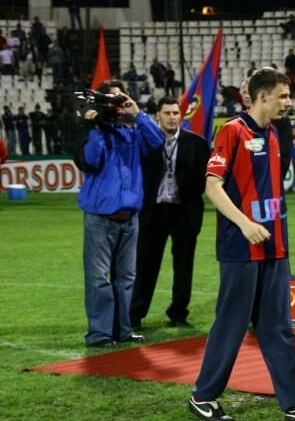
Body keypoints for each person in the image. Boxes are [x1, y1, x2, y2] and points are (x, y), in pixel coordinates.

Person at [188, 68, 295, 421]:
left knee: (278, 328)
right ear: (262, 96)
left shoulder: (275, 133)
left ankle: (293, 403)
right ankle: (202, 396)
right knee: (232, 325)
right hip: (241, 247)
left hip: (275, 247)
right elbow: (212, 186)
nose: (289, 102)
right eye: (283, 96)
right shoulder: (232, 131)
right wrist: (245, 224)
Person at [73, 79, 165, 347]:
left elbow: (157, 142)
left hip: (130, 217)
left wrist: (138, 113)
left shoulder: (132, 132)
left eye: (119, 99)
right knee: (99, 279)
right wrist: (94, 127)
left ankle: (123, 331)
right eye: (111, 100)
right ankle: (100, 334)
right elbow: (91, 161)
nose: (116, 105)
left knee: (126, 279)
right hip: (100, 218)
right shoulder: (92, 130)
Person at [130, 97, 210, 329]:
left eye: (176, 113)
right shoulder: (146, 140)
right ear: (158, 116)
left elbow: (206, 178)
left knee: (184, 266)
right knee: (145, 265)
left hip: (184, 212)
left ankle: (178, 313)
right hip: (153, 212)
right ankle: (135, 315)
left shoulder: (197, 143)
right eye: (167, 113)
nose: (172, 117)